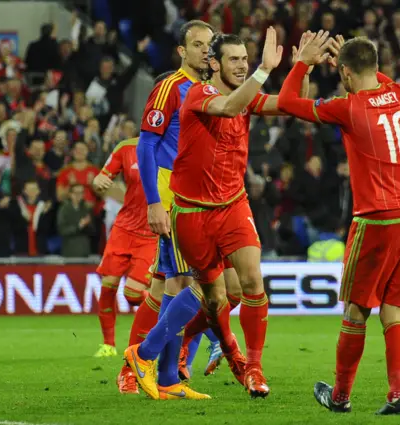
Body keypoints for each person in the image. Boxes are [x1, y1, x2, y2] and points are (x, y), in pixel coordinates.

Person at [126, 27, 306, 399]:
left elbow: (288, 103)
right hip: (189, 209)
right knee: (190, 290)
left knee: (247, 285)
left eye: (245, 59)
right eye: (234, 60)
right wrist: (153, 201)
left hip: (232, 206)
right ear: (213, 63)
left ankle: (250, 368)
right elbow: (226, 107)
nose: (242, 66)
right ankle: (149, 362)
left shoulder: (244, 96)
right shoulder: (195, 92)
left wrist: (301, 65)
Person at [277, 32, 400, 415]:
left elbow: (287, 102)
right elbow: (372, 74)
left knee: (356, 311)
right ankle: (398, 396)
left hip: (378, 218)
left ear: (345, 74)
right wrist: (348, 64)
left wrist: (304, 64)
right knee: (393, 312)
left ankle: (341, 396)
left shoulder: (348, 107)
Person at [123, 20, 239, 400]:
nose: (206, 51)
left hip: (199, 194)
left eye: (210, 45)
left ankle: (170, 377)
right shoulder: (170, 87)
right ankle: (144, 357)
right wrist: (154, 201)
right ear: (182, 51)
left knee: (177, 283)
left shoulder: (206, 90)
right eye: (198, 45)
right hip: (173, 195)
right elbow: (145, 144)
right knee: (198, 284)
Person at [91, 138, 158, 375]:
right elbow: (102, 177)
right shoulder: (126, 148)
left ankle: (165, 312)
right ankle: (108, 344)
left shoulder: (173, 146)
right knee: (108, 286)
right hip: (124, 228)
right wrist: (99, 180)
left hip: (152, 232)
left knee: (131, 294)